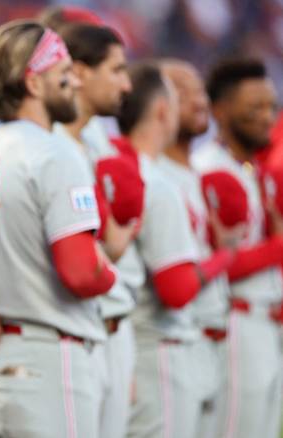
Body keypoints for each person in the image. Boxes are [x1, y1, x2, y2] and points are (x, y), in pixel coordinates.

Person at [0, 20, 117, 438]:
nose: (74, 81)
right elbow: (82, 272)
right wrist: (111, 269)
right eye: (63, 71)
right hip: (52, 362)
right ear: (33, 83)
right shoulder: (56, 153)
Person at [115, 63, 232, 438]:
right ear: (163, 110)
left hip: (135, 341)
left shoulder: (117, 169)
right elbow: (176, 288)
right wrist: (224, 255)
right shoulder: (156, 183)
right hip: (159, 348)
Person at [40, 16, 139, 438]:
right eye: (116, 70)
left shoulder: (96, 140)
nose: (126, 84)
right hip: (65, 327)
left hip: (107, 324)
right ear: (78, 72)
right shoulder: (52, 145)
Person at [191, 57, 283, 438]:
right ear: (221, 111)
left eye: (272, 107)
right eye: (254, 108)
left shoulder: (255, 170)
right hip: (235, 321)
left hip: (267, 322)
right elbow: (219, 262)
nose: (267, 118)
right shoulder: (210, 169)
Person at [159, 59, 237, 438]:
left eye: (200, 90)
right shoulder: (155, 177)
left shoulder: (198, 175)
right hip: (174, 342)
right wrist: (227, 253)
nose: (199, 100)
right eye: (182, 91)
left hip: (213, 337)